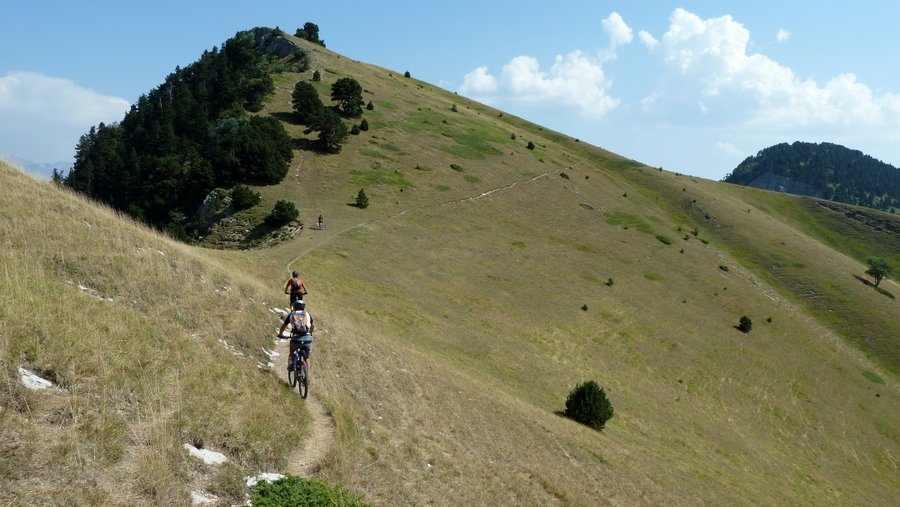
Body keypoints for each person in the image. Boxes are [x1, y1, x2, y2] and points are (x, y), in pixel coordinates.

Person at [278, 299, 315, 376]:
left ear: (294, 307)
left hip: (296, 339)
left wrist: (280, 334)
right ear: (303, 307)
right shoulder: (308, 314)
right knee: (307, 358)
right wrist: (310, 334)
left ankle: (292, 362)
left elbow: (284, 326)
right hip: (307, 339)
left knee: (292, 348)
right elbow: (312, 326)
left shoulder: (292, 314)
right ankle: (307, 376)